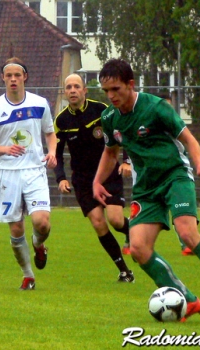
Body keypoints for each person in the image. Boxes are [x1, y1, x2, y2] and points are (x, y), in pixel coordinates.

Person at [93, 58, 200, 324]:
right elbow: (110, 152)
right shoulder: (109, 118)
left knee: (187, 232)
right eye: (106, 91)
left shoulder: (156, 107)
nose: (111, 96)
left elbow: (188, 138)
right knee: (139, 248)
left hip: (175, 175)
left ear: (131, 84)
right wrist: (97, 181)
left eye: (116, 89)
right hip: (146, 188)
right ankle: (187, 298)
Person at [0, 57, 57, 290]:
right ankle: (28, 275)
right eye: (9, 75)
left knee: (42, 223)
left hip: (34, 170)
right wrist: (5, 149)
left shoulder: (40, 103)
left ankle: (38, 244)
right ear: (3, 78)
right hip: (6, 173)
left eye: (17, 75)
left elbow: (50, 133)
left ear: (25, 77)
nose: (13, 79)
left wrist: (51, 152)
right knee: (16, 228)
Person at [53, 74, 134, 282]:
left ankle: (133, 233)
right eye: (68, 87)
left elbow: (120, 134)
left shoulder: (101, 110)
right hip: (82, 180)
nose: (72, 90)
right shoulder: (61, 121)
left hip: (107, 173)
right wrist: (61, 178)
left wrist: (126, 161)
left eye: (76, 86)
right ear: (64, 92)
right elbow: (58, 153)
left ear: (84, 90)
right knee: (98, 223)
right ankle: (124, 271)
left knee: (116, 220)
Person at [118, 93, 194, 256]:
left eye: (168, 106)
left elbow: (186, 142)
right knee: (137, 209)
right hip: (145, 177)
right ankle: (129, 241)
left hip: (170, 174)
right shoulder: (143, 120)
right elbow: (128, 141)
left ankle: (185, 243)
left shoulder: (172, 125)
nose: (165, 109)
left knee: (179, 209)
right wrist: (126, 161)